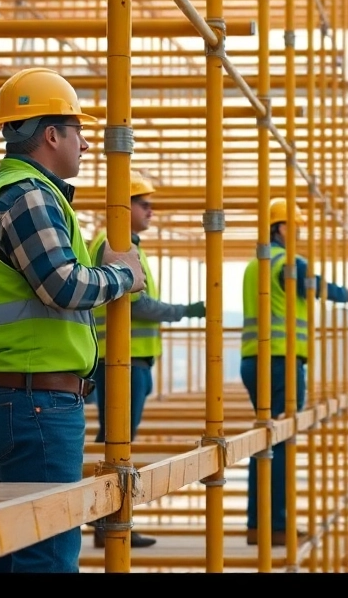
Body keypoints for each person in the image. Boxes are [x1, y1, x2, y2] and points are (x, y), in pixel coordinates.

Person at [0, 67, 145, 573]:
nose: (85, 144)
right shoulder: (30, 196)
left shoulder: (2, 195)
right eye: (78, 131)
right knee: (48, 556)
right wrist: (121, 275)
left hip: (4, 396)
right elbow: (63, 286)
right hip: (34, 401)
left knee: (1, 550)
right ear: (51, 134)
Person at [86, 169, 205, 549]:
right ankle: (110, 522)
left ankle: (109, 520)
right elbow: (140, 304)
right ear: (124, 206)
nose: (150, 210)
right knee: (115, 442)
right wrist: (186, 310)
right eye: (143, 203)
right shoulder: (116, 243)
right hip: (121, 360)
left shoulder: (125, 243)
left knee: (118, 439)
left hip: (130, 360)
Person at [239, 197, 348, 546]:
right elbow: (313, 285)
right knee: (281, 445)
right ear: (280, 227)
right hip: (282, 363)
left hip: (253, 362)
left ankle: (257, 525)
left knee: (265, 443)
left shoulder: (253, 265)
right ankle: (275, 527)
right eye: (296, 225)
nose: (301, 232)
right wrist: (346, 294)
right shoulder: (288, 262)